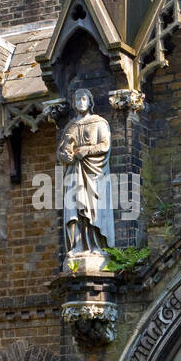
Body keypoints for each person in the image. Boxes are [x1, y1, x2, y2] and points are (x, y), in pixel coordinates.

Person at [57, 88, 115, 253]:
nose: (81, 102)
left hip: (93, 174)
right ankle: (78, 246)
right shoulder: (70, 126)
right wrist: (64, 156)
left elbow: (105, 145)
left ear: (90, 102)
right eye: (77, 99)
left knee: (93, 209)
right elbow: (61, 150)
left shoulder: (99, 122)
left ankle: (96, 247)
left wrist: (86, 150)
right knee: (75, 209)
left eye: (84, 99)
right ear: (74, 104)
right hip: (74, 173)